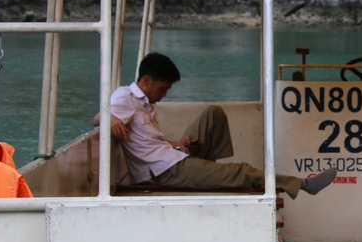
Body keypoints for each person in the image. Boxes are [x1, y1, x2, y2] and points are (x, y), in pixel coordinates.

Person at [106, 52, 336, 197]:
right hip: (164, 172)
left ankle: (209, 169)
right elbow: (100, 116)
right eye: (163, 89)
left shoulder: (147, 103)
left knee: (213, 113)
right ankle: (304, 185)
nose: (164, 95)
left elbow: (149, 141)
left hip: (171, 157)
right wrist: (109, 118)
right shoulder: (124, 97)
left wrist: (179, 144)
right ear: (146, 80)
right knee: (242, 170)